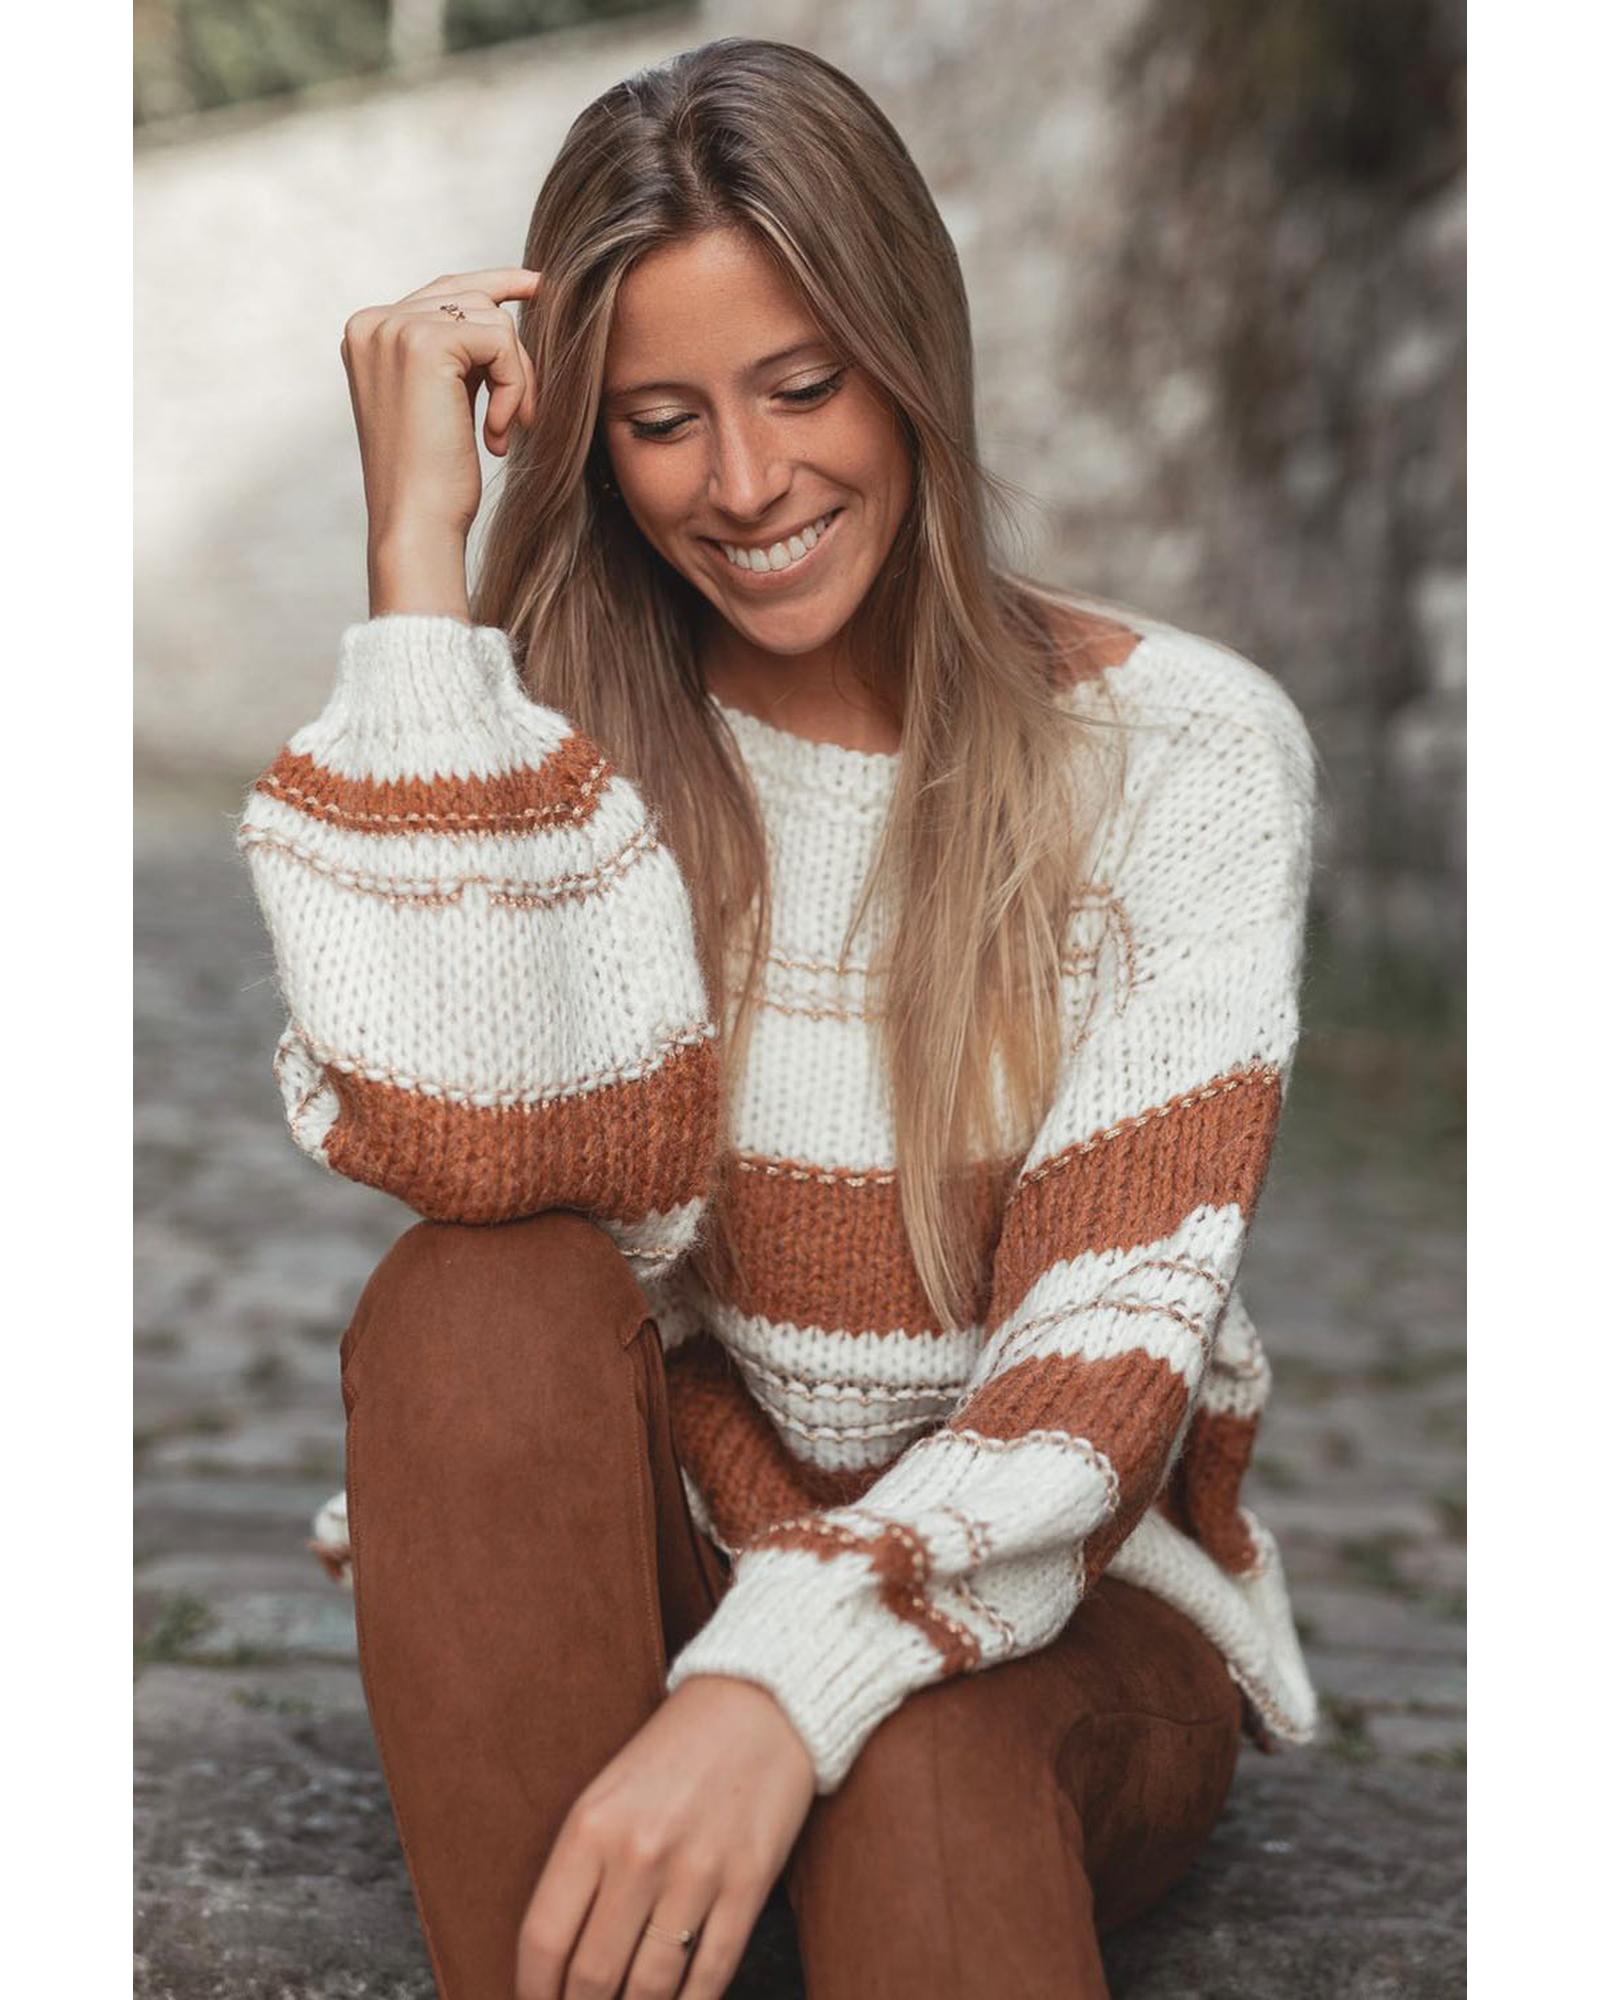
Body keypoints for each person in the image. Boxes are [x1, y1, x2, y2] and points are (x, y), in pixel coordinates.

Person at [235, 35, 1320, 2000]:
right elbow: (463, 1147)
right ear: (588, 438)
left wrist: (783, 1675)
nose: (744, 485)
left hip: (1059, 1615)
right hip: (664, 1554)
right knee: (472, 1298)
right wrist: (415, 576)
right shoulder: (556, 747)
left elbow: (1100, 1357)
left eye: (803, 388)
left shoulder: (1182, 754)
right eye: (660, 420)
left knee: (917, 1762)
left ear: (912, 360)